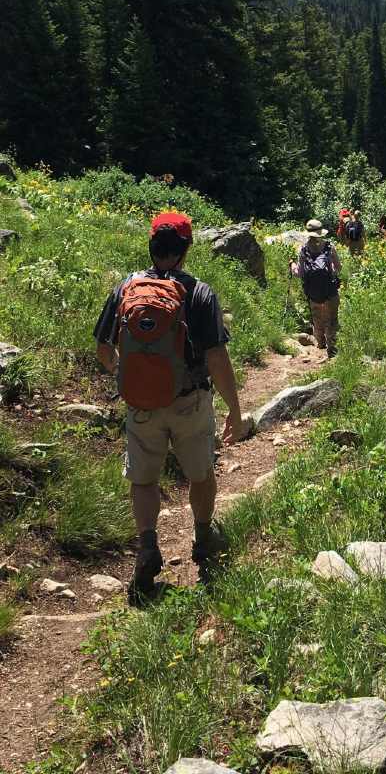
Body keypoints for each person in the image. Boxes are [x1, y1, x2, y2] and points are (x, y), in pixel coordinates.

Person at [94, 211, 245, 600]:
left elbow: (103, 348)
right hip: (188, 401)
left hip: (141, 403)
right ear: (186, 248)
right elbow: (216, 357)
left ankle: (147, 545)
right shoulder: (199, 292)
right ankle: (202, 535)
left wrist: (128, 376)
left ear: (151, 244)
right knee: (200, 473)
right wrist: (235, 408)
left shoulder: (127, 287)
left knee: (143, 478)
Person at [297, 219, 341, 356]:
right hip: (330, 289)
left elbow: (300, 273)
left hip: (313, 291)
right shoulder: (329, 247)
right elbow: (339, 268)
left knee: (317, 316)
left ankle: (320, 342)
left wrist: (292, 266)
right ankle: (331, 348)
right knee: (332, 318)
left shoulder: (303, 249)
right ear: (321, 233)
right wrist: (331, 270)